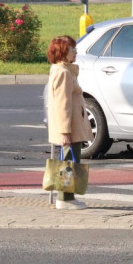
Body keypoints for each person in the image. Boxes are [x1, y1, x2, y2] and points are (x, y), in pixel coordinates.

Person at [45, 35, 93, 210]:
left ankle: (68, 197)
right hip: (69, 127)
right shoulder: (63, 73)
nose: (76, 52)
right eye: (72, 49)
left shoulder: (65, 70)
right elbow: (62, 103)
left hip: (72, 125)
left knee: (71, 161)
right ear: (63, 52)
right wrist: (65, 131)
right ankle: (65, 198)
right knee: (68, 162)